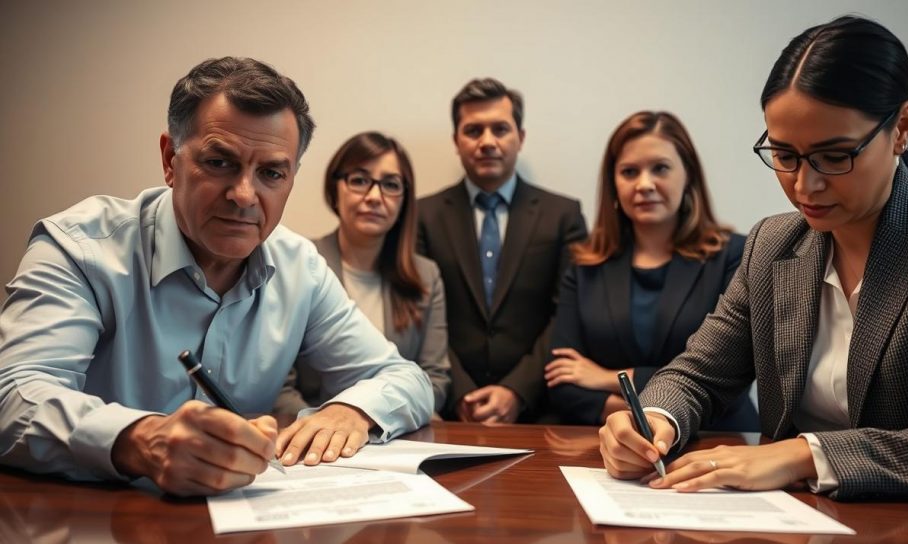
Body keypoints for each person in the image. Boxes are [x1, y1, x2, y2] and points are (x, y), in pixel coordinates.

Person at [599, 16, 908, 500]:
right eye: (784, 154)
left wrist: (804, 454)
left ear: (901, 128)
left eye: (835, 155)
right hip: (794, 534)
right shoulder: (774, 245)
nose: (805, 185)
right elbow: (697, 374)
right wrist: (655, 420)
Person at [0, 57, 432, 497]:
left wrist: (352, 411)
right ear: (171, 159)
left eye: (271, 173)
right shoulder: (80, 248)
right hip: (90, 529)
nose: (244, 195)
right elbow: (13, 396)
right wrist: (141, 441)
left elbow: (405, 380)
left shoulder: (300, 267)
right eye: (220, 162)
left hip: (242, 534)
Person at [545, 111, 757, 430]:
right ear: (613, 185)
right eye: (629, 172)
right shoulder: (585, 265)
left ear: (688, 176)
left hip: (720, 441)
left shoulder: (734, 256)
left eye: (660, 168)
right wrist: (631, 418)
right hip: (613, 445)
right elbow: (561, 379)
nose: (644, 185)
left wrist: (607, 378)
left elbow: (724, 376)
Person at [417, 78, 587, 423]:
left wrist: (517, 391)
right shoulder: (423, 216)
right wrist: (460, 392)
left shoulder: (562, 215)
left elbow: (568, 313)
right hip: (449, 410)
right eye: (474, 130)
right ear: (456, 141)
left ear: (520, 138)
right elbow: (420, 314)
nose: (487, 142)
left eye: (500, 129)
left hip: (541, 411)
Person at [275, 132, 450, 418]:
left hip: (392, 439)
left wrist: (372, 423)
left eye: (391, 185)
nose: (374, 197)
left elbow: (436, 380)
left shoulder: (426, 275)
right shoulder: (300, 265)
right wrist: (328, 428)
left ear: (404, 198)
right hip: (309, 442)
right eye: (359, 180)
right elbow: (279, 387)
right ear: (335, 189)